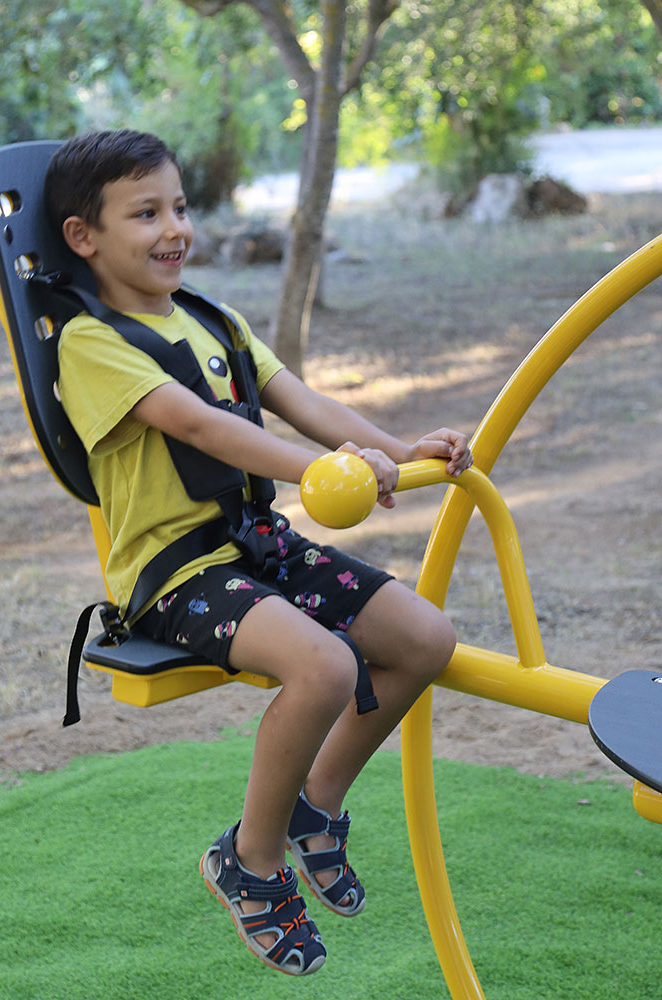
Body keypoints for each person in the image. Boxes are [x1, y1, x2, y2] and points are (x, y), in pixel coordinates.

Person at [46, 128, 472, 977]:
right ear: (83, 238)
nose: (174, 228)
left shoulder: (214, 319)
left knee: (425, 640)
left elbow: (302, 403)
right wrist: (332, 472)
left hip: (258, 545)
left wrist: (399, 446)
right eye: (145, 213)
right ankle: (251, 859)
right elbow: (201, 426)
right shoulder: (90, 345)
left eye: (178, 206)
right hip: (178, 570)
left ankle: (316, 805)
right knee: (322, 667)